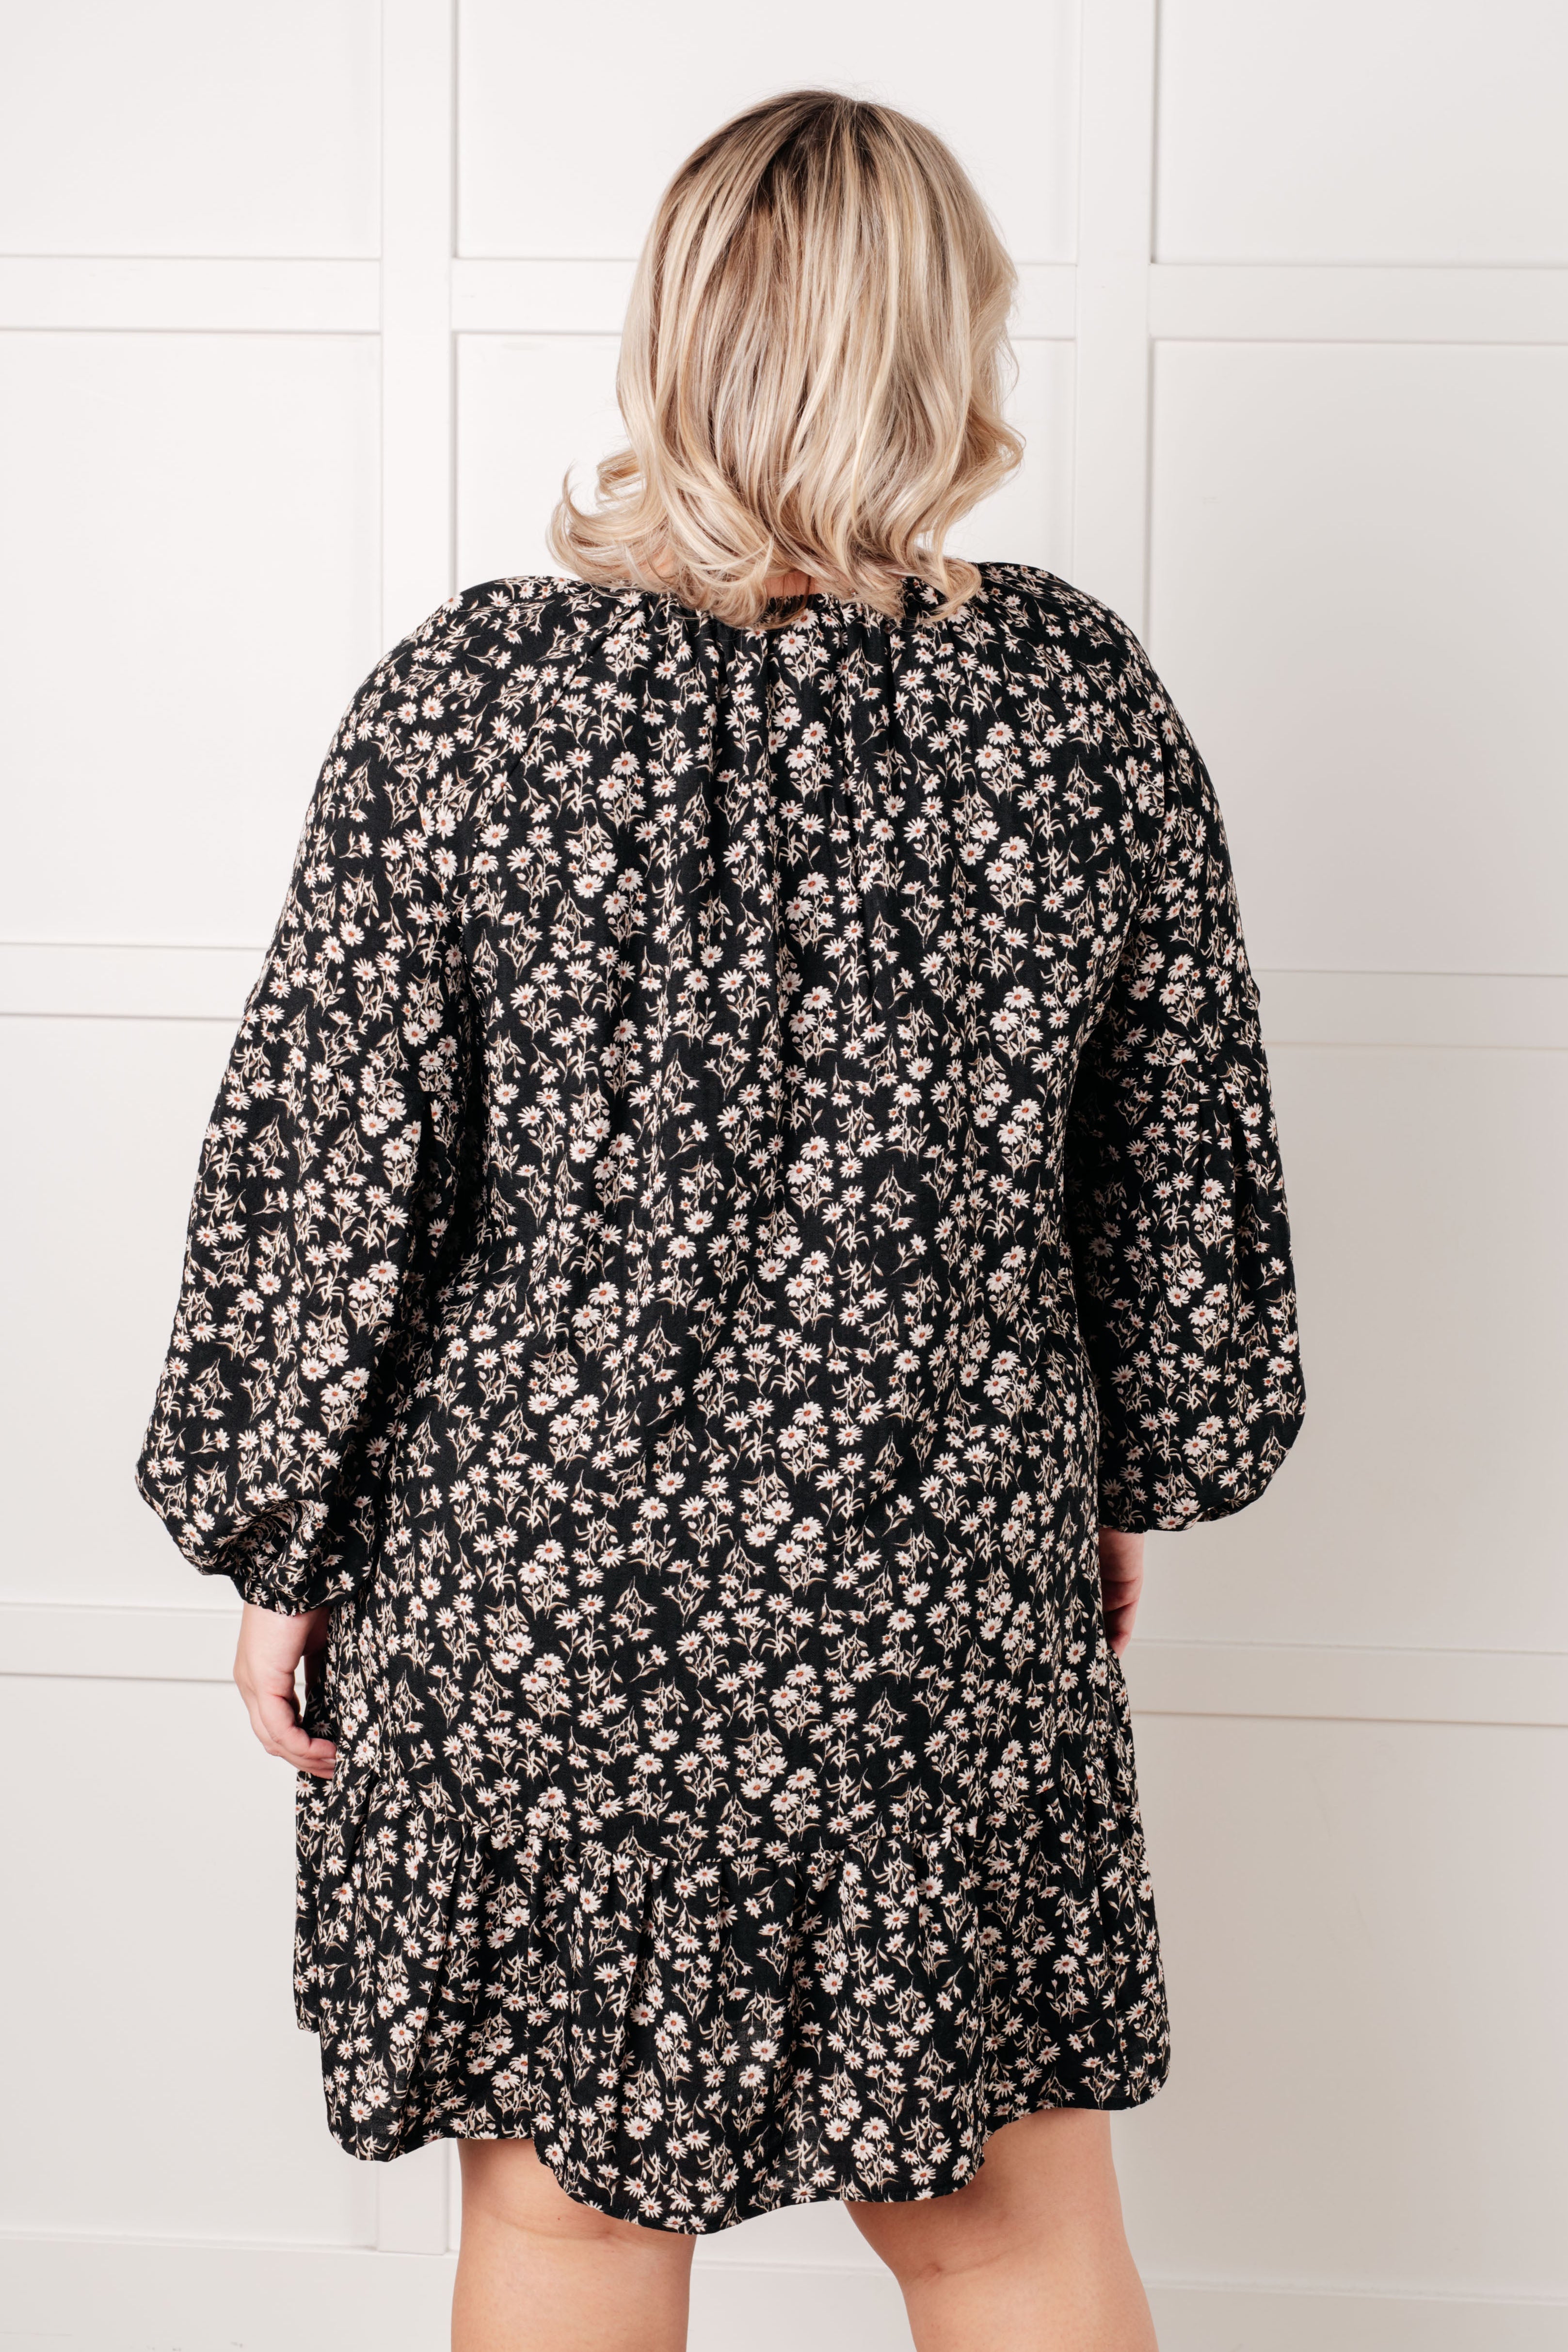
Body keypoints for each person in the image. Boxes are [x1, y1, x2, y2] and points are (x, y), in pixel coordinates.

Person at [137, 88, 1303, 2352]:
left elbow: (320, 1167)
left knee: (569, 2223)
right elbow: (1179, 1166)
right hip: (928, 1560)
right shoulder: (1071, 708)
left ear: (672, 330)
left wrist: (278, 1532)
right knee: (1002, 2226)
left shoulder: (466, 707)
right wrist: (1123, 1475)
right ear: (943, 343)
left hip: (539, 1587)